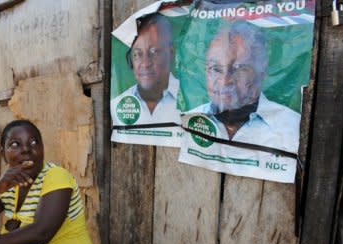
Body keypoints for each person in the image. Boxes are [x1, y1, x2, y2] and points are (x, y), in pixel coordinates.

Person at [190, 20, 300, 152]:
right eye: (215, 69)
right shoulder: (189, 121)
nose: (224, 82)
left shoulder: (291, 127)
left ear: (262, 71)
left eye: (239, 69)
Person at [110, 12, 182, 146]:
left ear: (170, 54)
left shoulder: (189, 103)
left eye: (154, 52)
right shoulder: (117, 105)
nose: (145, 63)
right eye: (137, 54)